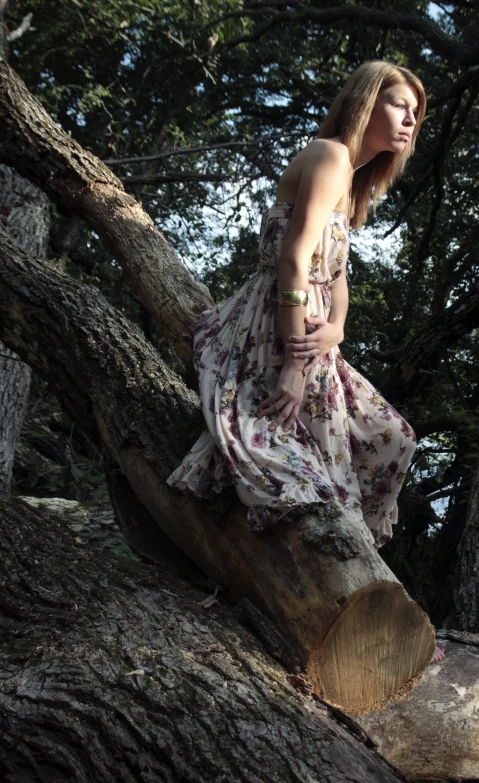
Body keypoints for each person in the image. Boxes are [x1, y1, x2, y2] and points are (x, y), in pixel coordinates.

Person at [167, 60, 424, 552]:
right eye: (399, 105)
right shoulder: (329, 156)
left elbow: (338, 273)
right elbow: (294, 258)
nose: (410, 121)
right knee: (298, 460)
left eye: (416, 112)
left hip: (315, 334)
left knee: (393, 437)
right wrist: (293, 365)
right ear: (365, 103)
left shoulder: (350, 180)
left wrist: (339, 329)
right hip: (278, 327)